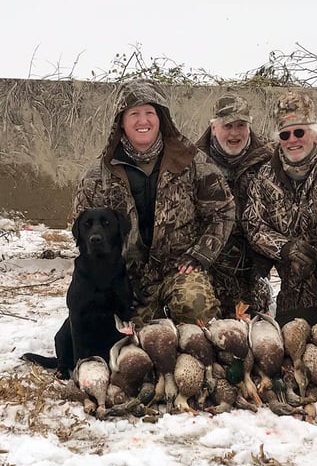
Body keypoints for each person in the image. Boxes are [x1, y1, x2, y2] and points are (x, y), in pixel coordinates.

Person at [73, 79, 235, 327]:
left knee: (197, 308)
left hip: (180, 270)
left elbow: (223, 211)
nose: (143, 121)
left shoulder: (192, 162)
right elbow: (81, 227)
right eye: (134, 114)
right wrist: (105, 273)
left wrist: (200, 255)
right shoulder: (99, 174)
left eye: (150, 112)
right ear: (121, 122)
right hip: (125, 277)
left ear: (161, 118)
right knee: (130, 340)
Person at [243, 90, 317, 327]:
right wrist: (285, 248)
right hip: (297, 273)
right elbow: (253, 225)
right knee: (295, 331)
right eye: (285, 134)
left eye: (299, 132)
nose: (292, 140)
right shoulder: (266, 175)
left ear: (315, 133)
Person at [196, 93, 275, 317]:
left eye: (241, 125)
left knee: (255, 330)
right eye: (227, 125)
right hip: (211, 262)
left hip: (254, 264)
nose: (234, 133)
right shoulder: (193, 162)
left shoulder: (270, 158)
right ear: (213, 128)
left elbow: (304, 149)